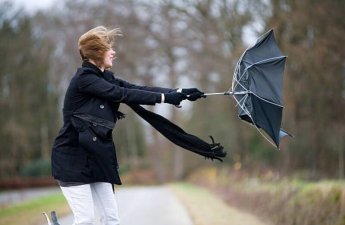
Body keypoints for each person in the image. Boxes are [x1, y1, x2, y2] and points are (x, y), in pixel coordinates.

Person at [51, 26, 205, 225]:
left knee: (111, 219)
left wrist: (179, 91)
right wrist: (165, 97)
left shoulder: (106, 77)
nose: (113, 52)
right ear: (97, 52)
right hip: (72, 158)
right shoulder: (84, 80)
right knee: (85, 220)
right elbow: (122, 95)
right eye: (109, 48)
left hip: (97, 157)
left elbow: (136, 89)